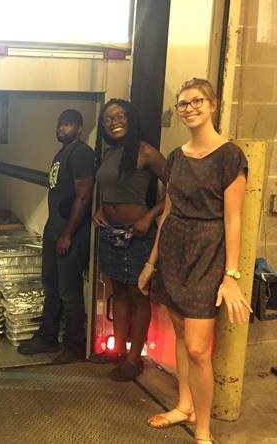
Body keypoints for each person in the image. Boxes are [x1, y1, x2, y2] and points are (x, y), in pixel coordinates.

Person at [139, 78, 250, 444]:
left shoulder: (230, 155)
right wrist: (151, 263)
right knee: (182, 334)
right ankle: (183, 405)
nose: (189, 108)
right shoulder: (175, 157)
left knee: (200, 349)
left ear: (213, 105)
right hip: (173, 249)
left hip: (208, 252)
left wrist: (230, 275)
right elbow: (167, 213)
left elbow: (234, 218)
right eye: (183, 103)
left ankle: (203, 429)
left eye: (196, 101)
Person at [90, 99, 166, 381]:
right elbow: (111, 188)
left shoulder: (145, 151)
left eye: (120, 116)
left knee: (138, 294)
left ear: (131, 119)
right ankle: (117, 351)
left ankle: (135, 359)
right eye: (108, 118)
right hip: (111, 233)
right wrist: (102, 206)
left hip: (137, 235)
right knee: (118, 292)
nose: (114, 121)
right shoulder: (110, 152)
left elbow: (177, 187)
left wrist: (150, 216)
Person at [17, 109, 95, 363]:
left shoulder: (81, 153)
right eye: (60, 124)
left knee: (68, 292)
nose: (63, 129)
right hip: (55, 231)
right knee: (51, 287)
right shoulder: (63, 153)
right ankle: (48, 338)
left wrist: (67, 234)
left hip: (70, 235)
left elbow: (83, 196)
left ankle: (74, 346)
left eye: (69, 124)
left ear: (80, 127)